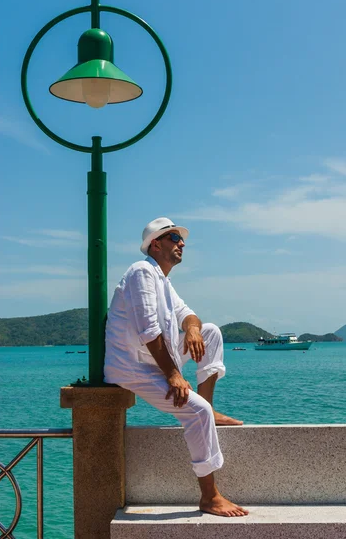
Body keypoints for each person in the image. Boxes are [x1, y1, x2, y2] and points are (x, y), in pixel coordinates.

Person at [104, 217, 249, 517]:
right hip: (132, 367)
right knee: (193, 411)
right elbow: (148, 330)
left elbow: (189, 315)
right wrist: (173, 374)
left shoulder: (163, 281)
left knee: (210, 332)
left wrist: (193, 329)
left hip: (156, 360)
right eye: (173, 238)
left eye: (181, 239)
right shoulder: (142, 272)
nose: (181, 243)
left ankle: (208, 407)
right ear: (155, 244)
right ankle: (209, 496)